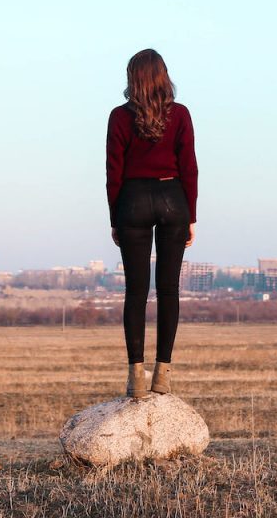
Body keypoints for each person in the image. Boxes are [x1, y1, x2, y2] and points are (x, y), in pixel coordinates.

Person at [105, 48, 197, 399]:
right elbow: (189, 167)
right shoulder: (181, 115)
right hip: (173, 198)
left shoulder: (118, 117)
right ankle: (163, 375)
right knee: (169, 290)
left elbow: (113, 171)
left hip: (132, 202)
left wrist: (115, 217)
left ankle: (135, 378)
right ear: (163, 76)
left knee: (136, 292)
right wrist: (192, 215)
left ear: (133, 78)